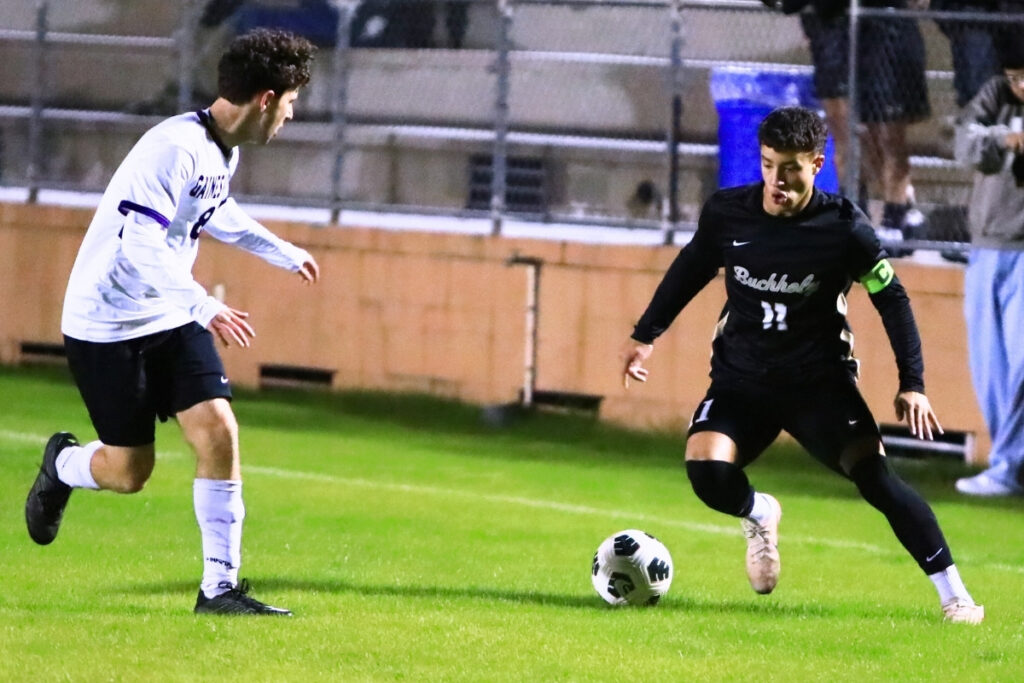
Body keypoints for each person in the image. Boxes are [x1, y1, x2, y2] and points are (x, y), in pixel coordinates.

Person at [619, 106, 984, 624]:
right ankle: (760, 514)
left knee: (877, 480)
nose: (777, 180)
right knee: (706, 471)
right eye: (768, 165)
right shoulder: (729, 214)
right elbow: (690, 268)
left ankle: (956, 596)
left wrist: (914, 383)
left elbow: (892, 298)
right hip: (742, 381)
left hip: (820, 385)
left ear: (816, 163)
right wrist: (645, 335)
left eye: (790, 167)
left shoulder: (845, 228)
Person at [24, 28, 320, 616]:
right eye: (289, 104)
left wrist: (280, 249)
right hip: (106, 322)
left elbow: (214, 209)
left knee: (218, 431)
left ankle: (219, 590)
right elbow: (139, 247)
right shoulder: (174, 147)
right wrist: (206, 306)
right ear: (265, 99)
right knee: (129, 471)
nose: (289, 116)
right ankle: (61, 464)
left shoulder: (220, 150)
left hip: (168, 310)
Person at [765, 1, 931, 248]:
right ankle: (854, 215)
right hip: (831, 31)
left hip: (883, 29)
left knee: (886, 134)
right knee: (845, 136)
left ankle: (896, 214)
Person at [953, 29, 1024, 497]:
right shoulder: (995, 95)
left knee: (1021, 366)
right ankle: (1010, 460)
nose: (1021, 87)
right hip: (985, 247)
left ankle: (1006, 465)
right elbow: (965, 144)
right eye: (1017, 78)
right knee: (991, 370)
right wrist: (1008, 138)